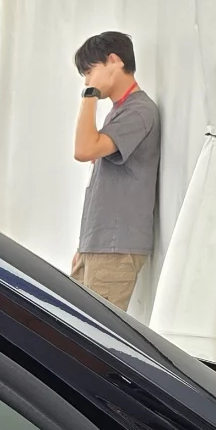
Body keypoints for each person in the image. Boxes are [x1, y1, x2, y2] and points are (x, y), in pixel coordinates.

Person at [70, 31, 159, 310]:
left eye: (89, 71)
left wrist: (90, 95)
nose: (87, 81)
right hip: (99, 244)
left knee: (92, 331)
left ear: (114, 60)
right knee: (74, 326)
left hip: (114, 247)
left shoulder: (139, 110)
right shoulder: (120, 111)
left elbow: (83, 150)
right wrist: (84, 245)